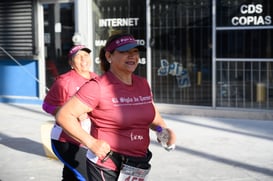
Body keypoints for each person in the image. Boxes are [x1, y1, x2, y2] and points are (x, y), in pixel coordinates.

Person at [55, 32, 176, 181]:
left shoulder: (143, 84)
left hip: (137, 165)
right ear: (109, 56)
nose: (132, 56)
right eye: (125, 52)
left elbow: (150, 116)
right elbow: (64, 116)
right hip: (107, 164)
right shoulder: (97, 86)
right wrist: (91, 143)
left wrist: (162, 131)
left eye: (135, 52)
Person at [42, 45, 97, 181]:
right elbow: (47, 105)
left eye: (86, 55)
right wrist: (69, 112)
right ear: (71, 63)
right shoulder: (64, 81)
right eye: (78, 56)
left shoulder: (96, 78)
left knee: (71, 176)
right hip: (66, 140)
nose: (83, 59)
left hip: (87, 139)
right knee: (88, 177)